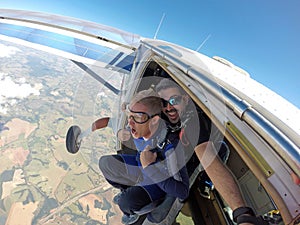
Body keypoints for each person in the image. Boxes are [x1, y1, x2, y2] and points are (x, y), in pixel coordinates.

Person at [155, 78, 267, 225]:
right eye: (164, 103)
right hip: (171, 161)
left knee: (164, 210)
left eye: (174, 100)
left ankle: (205, 182)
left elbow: (207, 155)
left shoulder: (194, 121)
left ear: (186, 99)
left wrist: (242, 213)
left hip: (189, 167)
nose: (169, 107)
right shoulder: (169, 114)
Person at [98, 89, 189, 225]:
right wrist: (119, 131)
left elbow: (182, 191)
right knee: (106, 163)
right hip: (141, 166)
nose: (130, 123)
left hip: (158, 182)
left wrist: (150, 167)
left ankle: (133, 212)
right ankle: (129, 190)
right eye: (130, 116)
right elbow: (115, 121)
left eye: (137, 117)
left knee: (126, 203)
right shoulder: (140, 125)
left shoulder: (170, 147)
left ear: (154, 120)